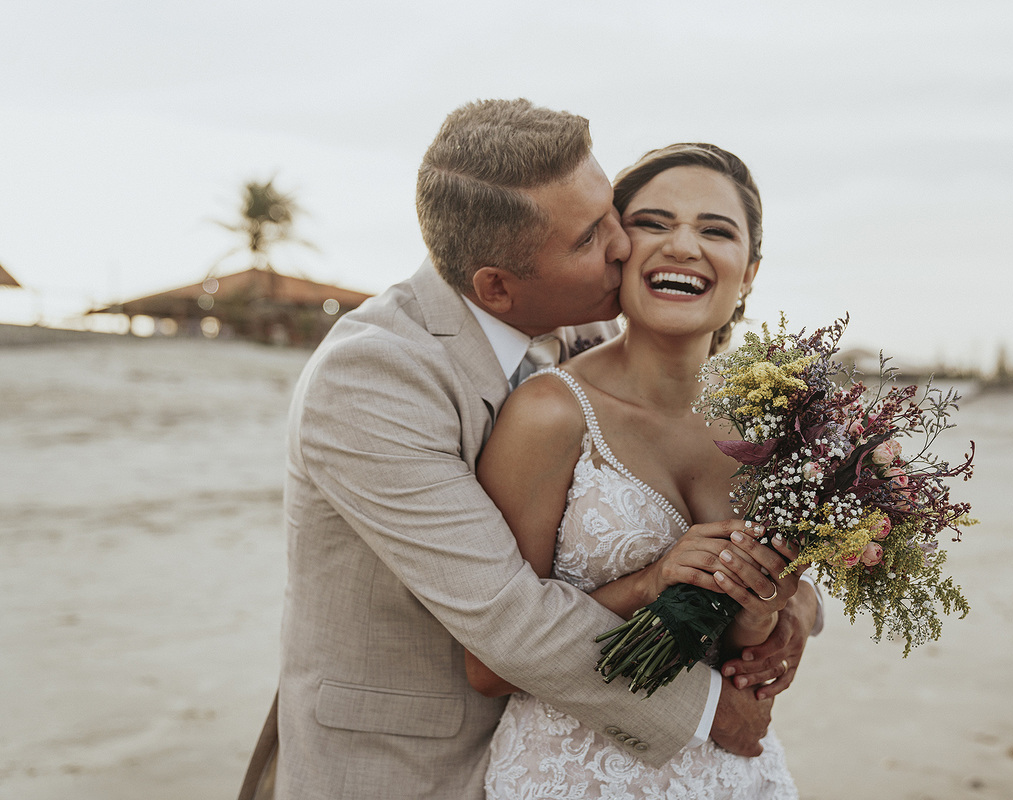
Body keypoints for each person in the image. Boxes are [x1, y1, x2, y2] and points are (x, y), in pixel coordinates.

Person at [238, 100, 820, 800]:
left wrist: (791, 609)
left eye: (611, 213)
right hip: (403, 764)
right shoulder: (371, 378)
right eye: (591, 236)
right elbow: (508, 617)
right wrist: (712, 712)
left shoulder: (579, 330)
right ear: (496, 287)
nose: (622, 246)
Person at [465, 143, 815, 798]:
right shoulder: (549, 413)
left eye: (716, 231)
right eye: (654, 223)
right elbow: (489, 664)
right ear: (616, 252)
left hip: (739, 772)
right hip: (575, 776)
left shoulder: (777, 426)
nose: (683, 245)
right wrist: (651, 582)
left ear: (749, 273)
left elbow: (744, 640)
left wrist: (782, 608)